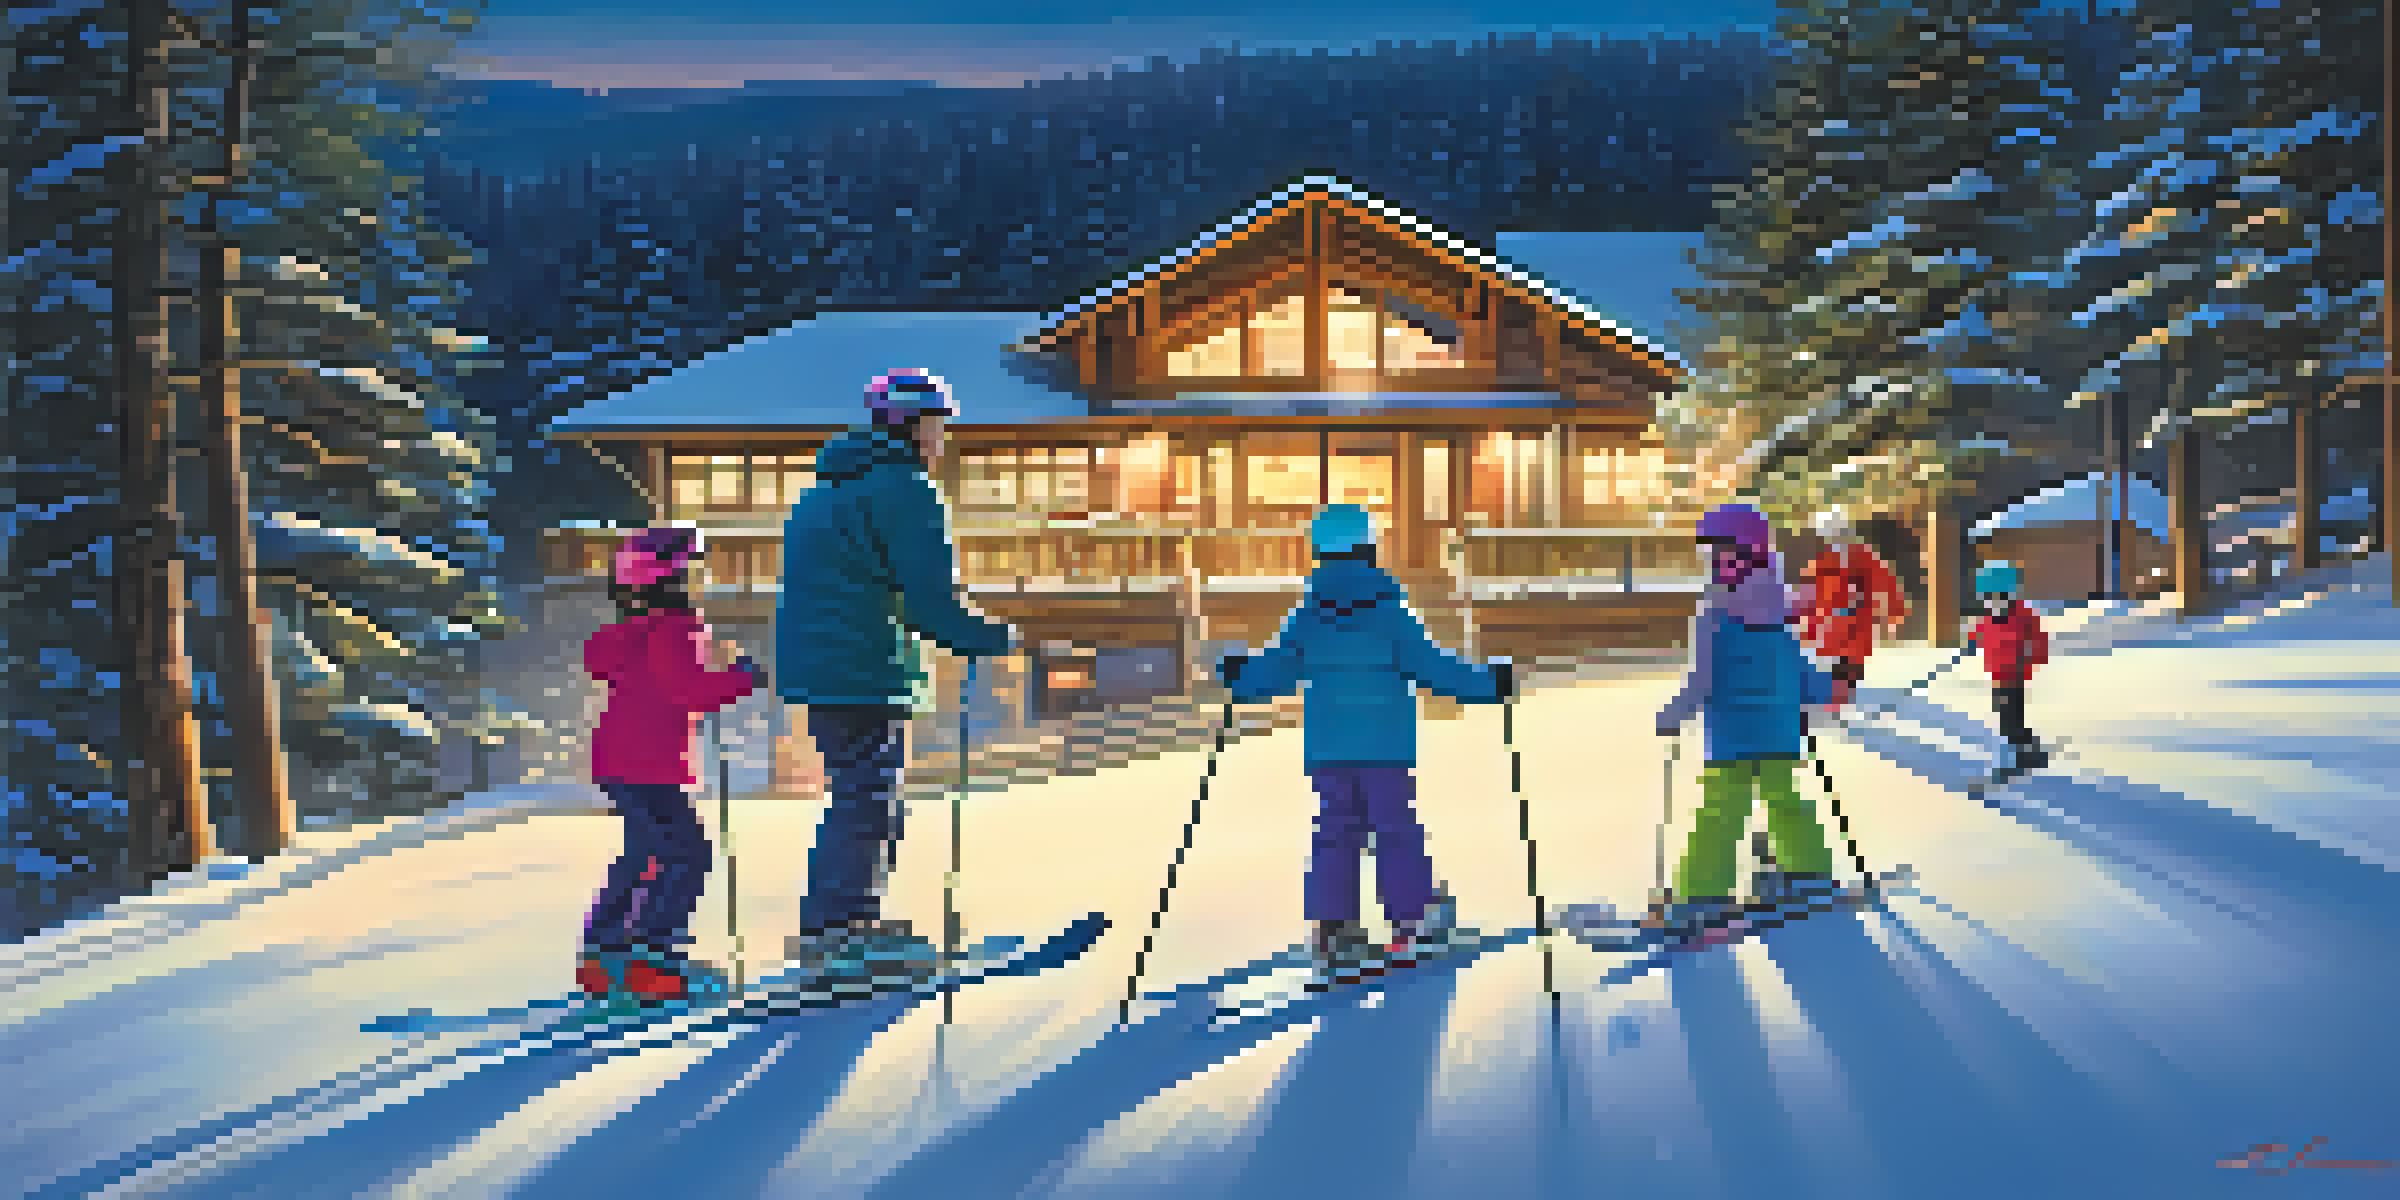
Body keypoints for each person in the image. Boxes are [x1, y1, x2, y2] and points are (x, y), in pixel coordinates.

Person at [775, 369, 1018, 976]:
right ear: (909, 427)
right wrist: (990, 637)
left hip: (827, 665)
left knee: (860, 797)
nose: (942, 441)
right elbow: (928, 597)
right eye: (936, 427)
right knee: (868, 800)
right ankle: (838, 931)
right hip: (863, 663)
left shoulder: (830, 486)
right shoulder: (903, 489)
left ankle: (842, 920)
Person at [1218, 503, 1514, 982]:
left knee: (1336, 830)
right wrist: (1489, 684)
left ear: (1319, 554)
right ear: (1370, 549)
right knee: (1394, 827)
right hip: (1386, 749)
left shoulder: (1308, 618)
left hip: (1330, 750)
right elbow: (1436, 670)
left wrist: (1236, 673)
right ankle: (1412, 923)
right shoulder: (1391, 615)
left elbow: (1267, 675)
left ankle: (1335, 932)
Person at [580, 525, 766, 1002]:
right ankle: (649, 953)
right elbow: (688, 690)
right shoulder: (677, 627)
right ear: (672, 579)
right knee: (685, 854)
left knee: (646, 851)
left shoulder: (629, 633)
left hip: (620, 760)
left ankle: (607, 952)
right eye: (692, 572)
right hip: (650, 761)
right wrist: (741, 679)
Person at [1654, 502, 1850, 938]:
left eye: (1723, 558)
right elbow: (1798, 672)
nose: (1717, 567)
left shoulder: (1716, 617)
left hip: (1734, 741)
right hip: (1780, 737)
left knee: (1722, 813)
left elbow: (1703, 679)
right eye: (1713, 559)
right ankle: (1809, 876)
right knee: (1788, 805)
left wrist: (1674, 713)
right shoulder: (1780, 617)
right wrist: (1828, 690)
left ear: (1748, 557)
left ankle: (1703, 896)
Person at [1799, 506, 1909, 693]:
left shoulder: (1865, 558)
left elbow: (1888, 587)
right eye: (1829, 534)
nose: (1835, 537)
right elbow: (1810, 599)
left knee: (1848, 673)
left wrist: (1893, 618)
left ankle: (1842, 701)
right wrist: (1807, 631)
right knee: (1833, 673)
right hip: (1831, 633)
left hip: (1856, 630)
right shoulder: (1821, 563)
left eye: (1839, 531)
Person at [1966, 561, 2050, 776]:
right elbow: (1978, 635)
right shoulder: (1985, 616)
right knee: (2005, 719)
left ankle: (2028, 755)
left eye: (1996, 594)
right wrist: (1971, 643)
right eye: (1988, 595)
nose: (1992, 599)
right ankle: (2029, 750)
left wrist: (2033, 660)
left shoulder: (2022, 613)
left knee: (2012, 718)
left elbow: (2038, 639)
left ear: (2007, 593)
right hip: (1997, 673)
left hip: (2015, 672)